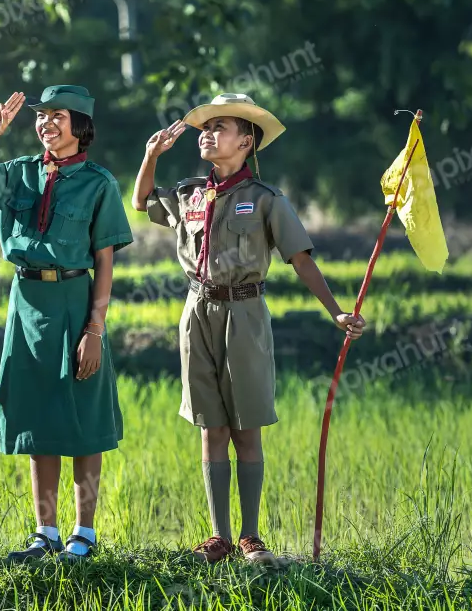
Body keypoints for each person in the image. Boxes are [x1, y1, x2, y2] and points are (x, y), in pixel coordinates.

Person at [131, 93, 367, 564]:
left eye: (221, 128)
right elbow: (141, 202)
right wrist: (150, 157)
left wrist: (336, 311)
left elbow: (301, 259)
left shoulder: (265, 200)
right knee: (210, 427)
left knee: (246, 427)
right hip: (196, 311)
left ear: (246, 142)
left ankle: (250, 535)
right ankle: (218, 537)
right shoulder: (188, 194)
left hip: (244, 313)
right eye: (206, 126)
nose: (208, 134)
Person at [0, 85, 133, 563]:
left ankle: (83, 534)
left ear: (81, 125)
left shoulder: (98, 182)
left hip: (74, 297)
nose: (46, 123)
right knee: (36, 417)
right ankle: (45, 532)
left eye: (57, 116)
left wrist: (95, 329)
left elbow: (104, 260)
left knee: (83, 414)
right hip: (25, 302)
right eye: (42, 116)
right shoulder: (19, 173)